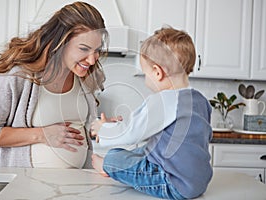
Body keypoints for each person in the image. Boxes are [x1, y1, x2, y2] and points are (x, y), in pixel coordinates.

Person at [0, 1, 109, 169]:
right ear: (60, 42)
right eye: (84, 49)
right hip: (28, 187)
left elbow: (79, 131)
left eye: (97, 50)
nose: (93, 59)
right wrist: (41, 135)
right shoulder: (17, 77)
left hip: (74, 188)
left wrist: (102, 128)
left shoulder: (85, 80)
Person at [91, 27, 213, 199]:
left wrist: (103, 129)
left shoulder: (165, 100)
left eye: (146, 73)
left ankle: (106, 166)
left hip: (171, 182)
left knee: (115, 156)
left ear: (157, 72)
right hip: (199, 182)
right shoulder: (200, 100)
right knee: (146, 149)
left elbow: (131, 132)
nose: (147, 79)